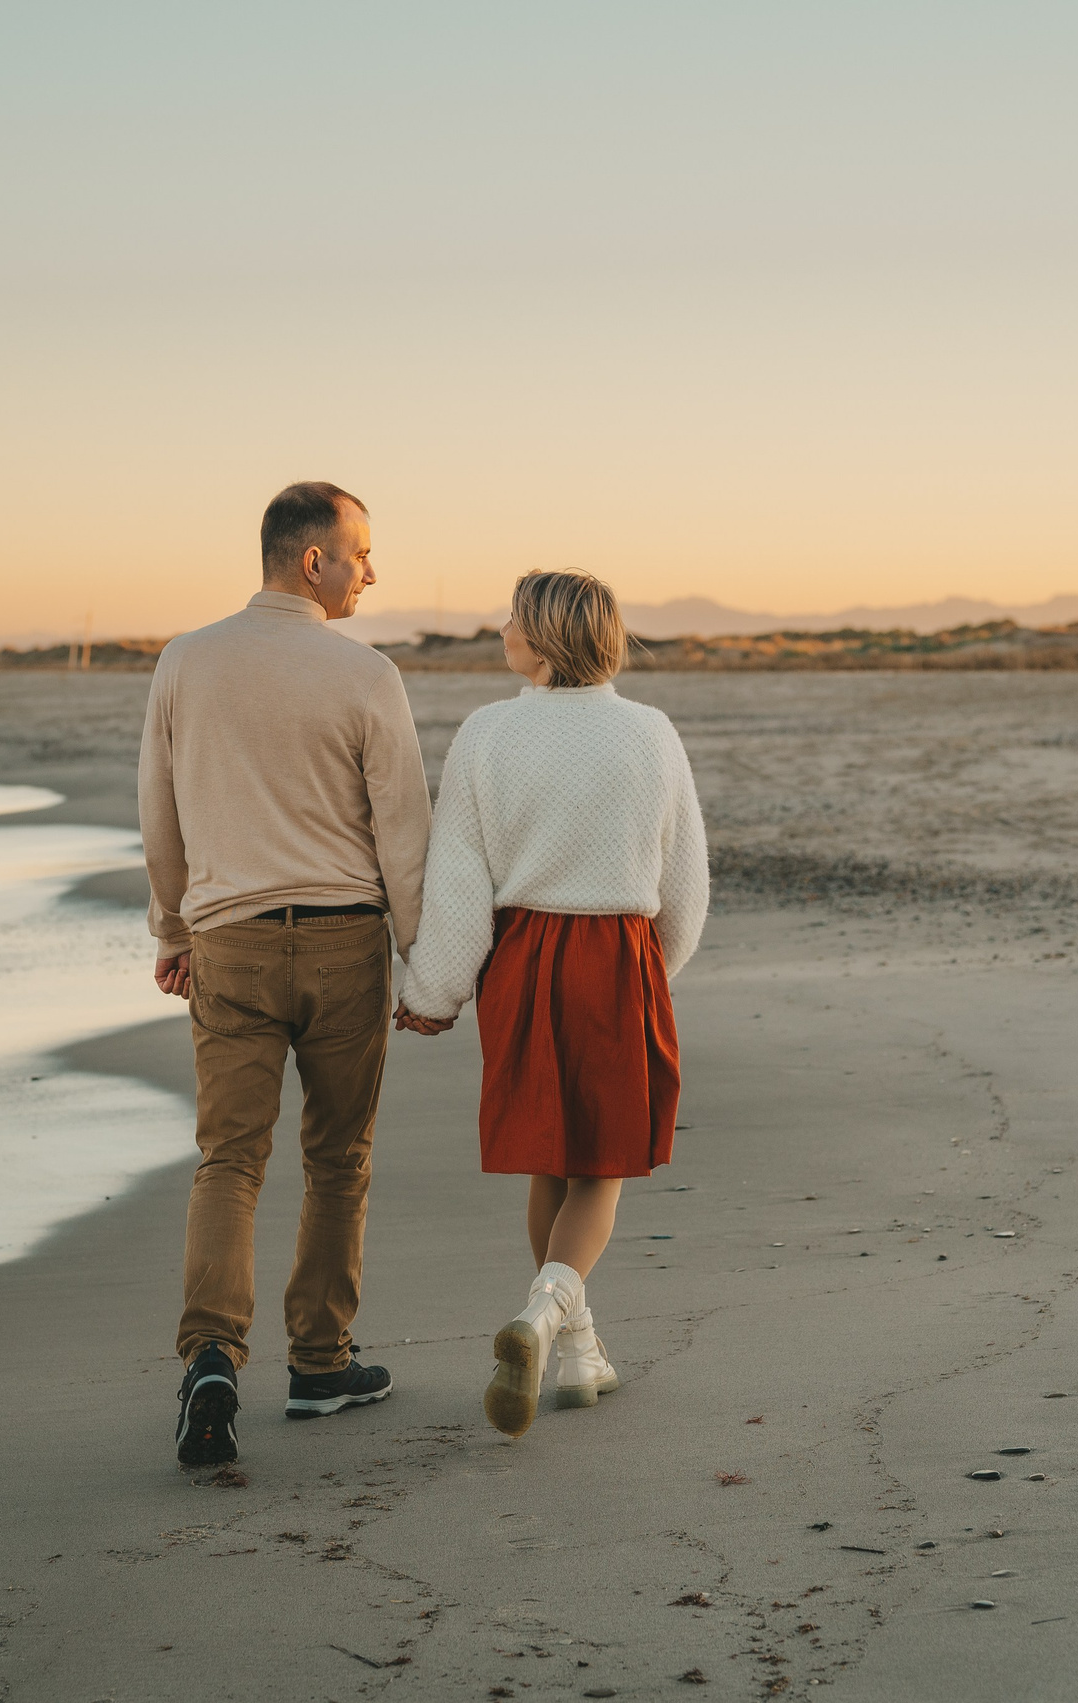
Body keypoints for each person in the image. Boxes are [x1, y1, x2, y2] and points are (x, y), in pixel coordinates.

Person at [141, 481, 432, 1469]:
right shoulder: (365, 674)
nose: (371, 570)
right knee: (336, 1155)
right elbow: (403, 828)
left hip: (231, 941)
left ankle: (213, 1356)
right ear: (313, 560)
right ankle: (317, 1362)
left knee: (229, 1156)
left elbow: (160, 811)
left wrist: (172, 924)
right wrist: (423, 956)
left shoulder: (186, 662)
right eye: (361, 551)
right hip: (346, 940)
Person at [395, 569, 708, 1438]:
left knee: (550, 1155)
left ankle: (575, 1349)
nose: (501, 629)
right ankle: (545, 1322)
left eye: (513, 619)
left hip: (524, 957)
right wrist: (651, 973)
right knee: (601, 1165)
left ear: (543, 638)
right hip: (618, 955)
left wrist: (434, 989)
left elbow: (460, 878)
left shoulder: (488, 734)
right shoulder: (650, 733)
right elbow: (683, 880)